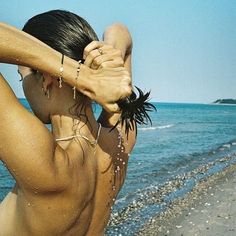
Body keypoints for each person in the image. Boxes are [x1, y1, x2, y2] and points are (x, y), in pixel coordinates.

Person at [0, 10, 136, 235]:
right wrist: (102, 65)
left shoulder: (45, 162)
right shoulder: (120, 141)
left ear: (45, 79)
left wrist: (83, 77)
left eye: (21, 76)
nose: (23, 86)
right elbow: (120, 32)